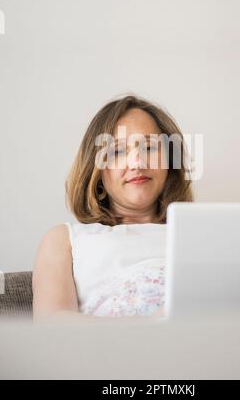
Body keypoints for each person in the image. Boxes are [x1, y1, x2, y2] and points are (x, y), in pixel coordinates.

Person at [32, 94, 194, 322]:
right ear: (96, 170)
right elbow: (52, 325)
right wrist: (150, 327)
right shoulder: (65, 239)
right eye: (117, 152)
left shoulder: (199, 234)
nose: (138, 163)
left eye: (150, 148)